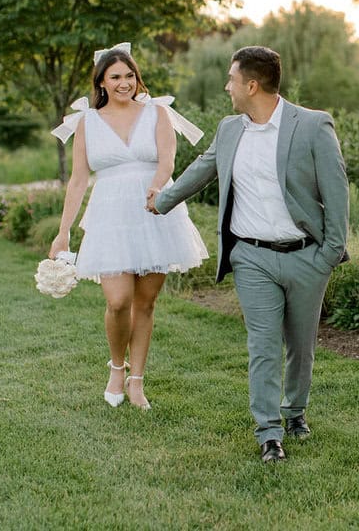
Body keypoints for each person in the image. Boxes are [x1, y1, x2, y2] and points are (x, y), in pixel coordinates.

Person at [148, 45, 348, 462]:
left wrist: (330, 253)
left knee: (300, 345)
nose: (227, 86)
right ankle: (269, 432)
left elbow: (337, 191)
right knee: (262, 345)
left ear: (251, 85)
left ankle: (295, 411)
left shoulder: (312, 126)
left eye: (231, 79)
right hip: (251, 257)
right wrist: (161, 200)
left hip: (306, 256)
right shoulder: (229, 129)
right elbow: (202, 169)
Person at [49, 42, 208, 410]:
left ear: (137, 78)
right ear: (102, 82)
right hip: (110, 216)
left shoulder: (158, 113)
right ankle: (115, 368)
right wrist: (63, 231)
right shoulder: (87, 121)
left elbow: (167, 160)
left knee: (145, 302)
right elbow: (77, 179)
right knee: (118, 300)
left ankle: (136, 380)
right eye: (115, 76)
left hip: (155, 211)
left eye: (130, 75)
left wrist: (157, 187)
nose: (125, 82)